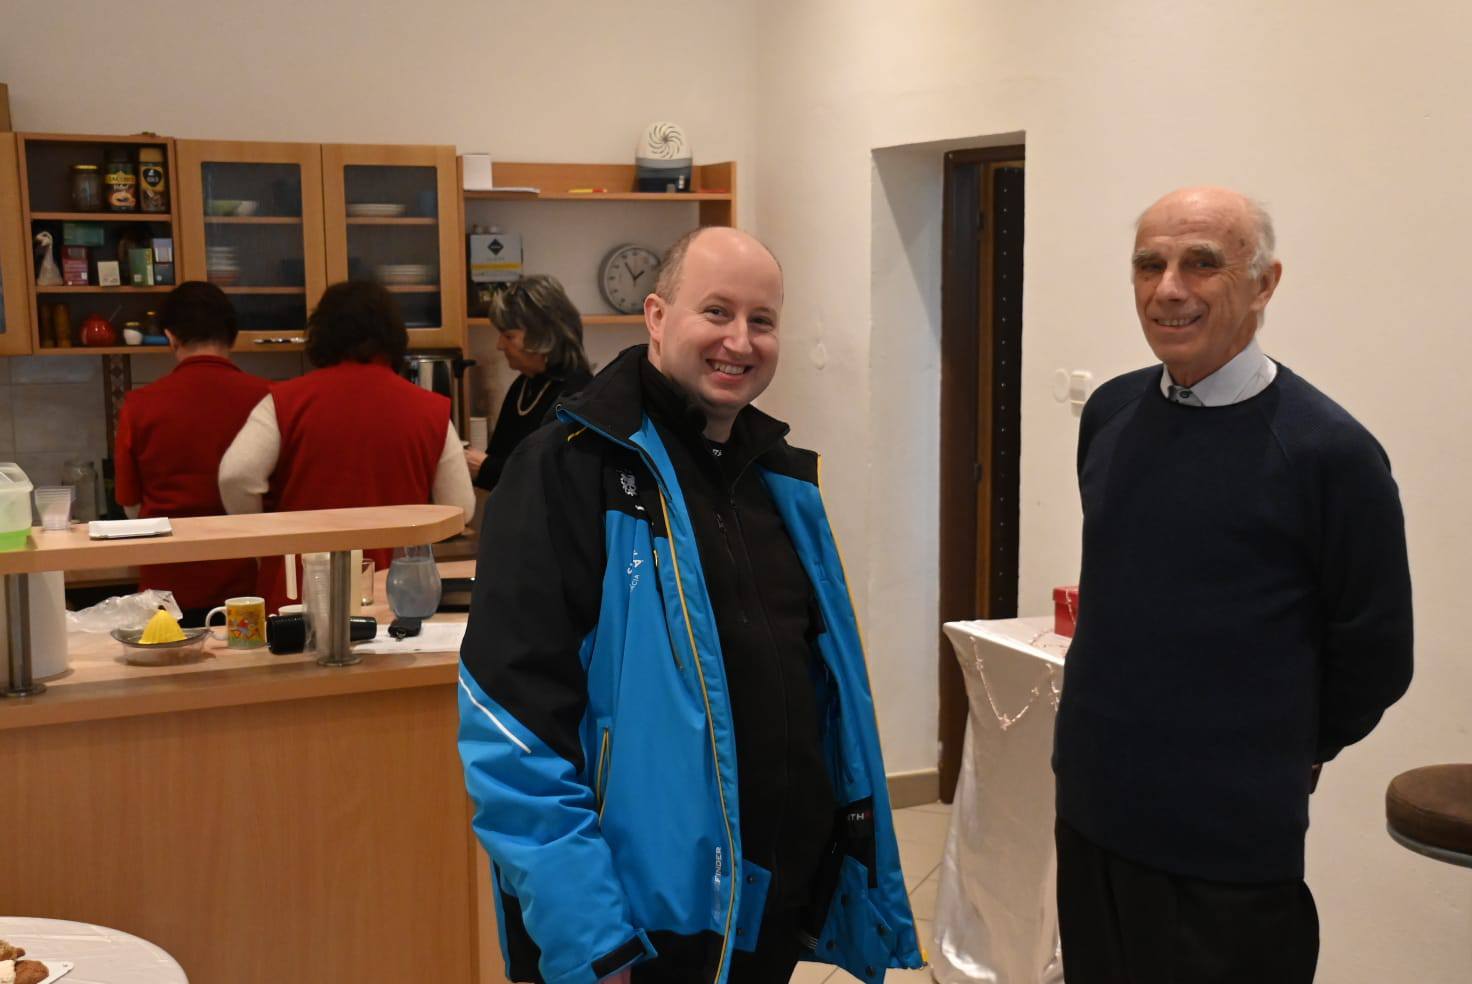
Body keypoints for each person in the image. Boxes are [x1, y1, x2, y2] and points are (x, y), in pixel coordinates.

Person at [457, 227, 924, 984]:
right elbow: (512, 732)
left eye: (762, 320)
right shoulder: (567, 470)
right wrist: (591, 938)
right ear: (656, 316)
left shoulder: (776, 477)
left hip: (764, 908)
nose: (740, 340)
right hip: (638, 930)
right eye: (716, 311)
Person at [1052, 186, 1414, 983]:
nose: (1168, 289)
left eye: (1202, 264)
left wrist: (1281, 748)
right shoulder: (1110, 413)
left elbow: (1378, 655)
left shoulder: (1330, 453)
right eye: (1149, 265)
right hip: (1094, 811)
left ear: (1264, 283)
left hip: (1227, 843)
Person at [218, 280, 475, 613]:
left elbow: (236, 475)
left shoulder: (285, 401)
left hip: (301, 592)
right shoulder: (431, 410)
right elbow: (460, 508)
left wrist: (264, 539)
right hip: (395, 594)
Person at [114, 282, 271, 625]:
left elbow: (130, 504)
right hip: (248, 586)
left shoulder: (140, 405)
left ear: (170, 337)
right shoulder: (270, 398)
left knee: (170, 660)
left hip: (167, 589)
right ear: (233, 335)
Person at [465, 275, 593, 491]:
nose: (499, 345)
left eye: (509, 336)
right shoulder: (524, 384)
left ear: (543, 336)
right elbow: (501, 457)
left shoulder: (576, 394)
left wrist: (486, 468)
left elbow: (555, 480)